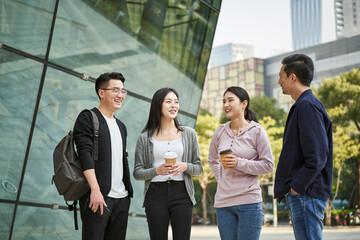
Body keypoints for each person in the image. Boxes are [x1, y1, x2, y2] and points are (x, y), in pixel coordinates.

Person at [274, 54, 333, 240]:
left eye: (281, 75)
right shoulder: (304, 105)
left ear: (293, 77)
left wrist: (297, 187)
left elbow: (317, 156)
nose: (278, 81)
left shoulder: (307, 105)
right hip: (305, 193)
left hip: (307, 194)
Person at [133, 87, 203, 240]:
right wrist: (156, 170)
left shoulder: (189, 134)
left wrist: (185, 166)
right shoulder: (145, 138)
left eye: (176, 102)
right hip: (155, 193)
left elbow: (198, 169)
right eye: (168, 102)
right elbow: (138, 173)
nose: (174, 105)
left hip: (182, 193)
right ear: (158, 105)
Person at [208, 86, 274, 240]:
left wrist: (239, 163)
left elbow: (268, 165)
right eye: (224, 101)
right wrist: (222, 179)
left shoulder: (257, 131)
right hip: (223, 204)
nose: (226, 104)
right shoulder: (219, 132)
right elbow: (212, 160)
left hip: (249, 203)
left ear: (244, 103)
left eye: (230, 100)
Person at [73, 72, 133, 240]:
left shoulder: (121, 126)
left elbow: (123, 161)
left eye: (123, 91)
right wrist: (95, 190)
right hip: (98, 197)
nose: (120, 95)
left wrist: (127, 194)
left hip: (122, 198)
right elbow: (85, 153)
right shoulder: (88, 118)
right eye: (115, 90)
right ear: (101, 92)